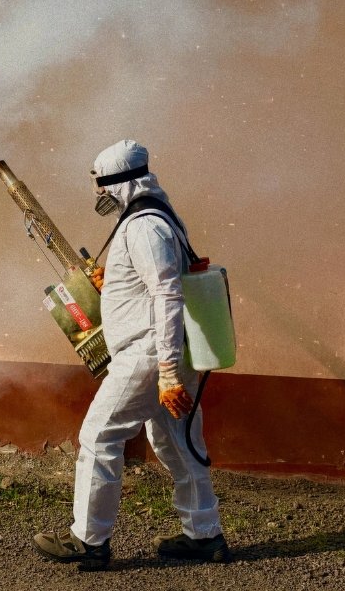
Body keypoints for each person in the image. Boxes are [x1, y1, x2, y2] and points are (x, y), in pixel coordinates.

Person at [33, 139, 229, 571]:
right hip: (164, 351)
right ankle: (204, 535)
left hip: (148, 353)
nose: (100, 194)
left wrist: (166, 373)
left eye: (103, 186)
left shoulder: (144, 226)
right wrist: (114, 281)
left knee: (99, 435)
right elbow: (149, 284)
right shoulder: (153, 219)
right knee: (177, 444)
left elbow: (166, 293)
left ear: (123, 183)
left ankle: (89, 540)